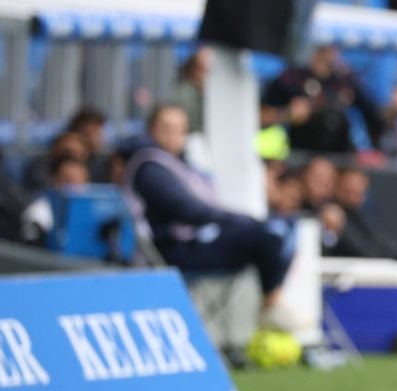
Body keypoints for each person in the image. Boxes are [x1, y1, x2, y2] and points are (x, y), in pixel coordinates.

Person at [123, 105, 295, 311]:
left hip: (197, 240)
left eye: (179, 129)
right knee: (266, 236)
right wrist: (234, 218)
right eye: (165, 128)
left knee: (278, 230)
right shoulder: (149, 166)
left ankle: (273, 302)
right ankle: (272, 308)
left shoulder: (181, 164)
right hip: (172, 250)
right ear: (151, 130)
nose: (172, 136)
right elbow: (187, 210)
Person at [261, 45, 387, 154]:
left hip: (339, 157)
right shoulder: (290, 78)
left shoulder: (345, 81)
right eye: (321, 48)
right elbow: (259, 117)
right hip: (297, 154)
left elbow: (377, 120)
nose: (325, 53)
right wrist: (287, 114)